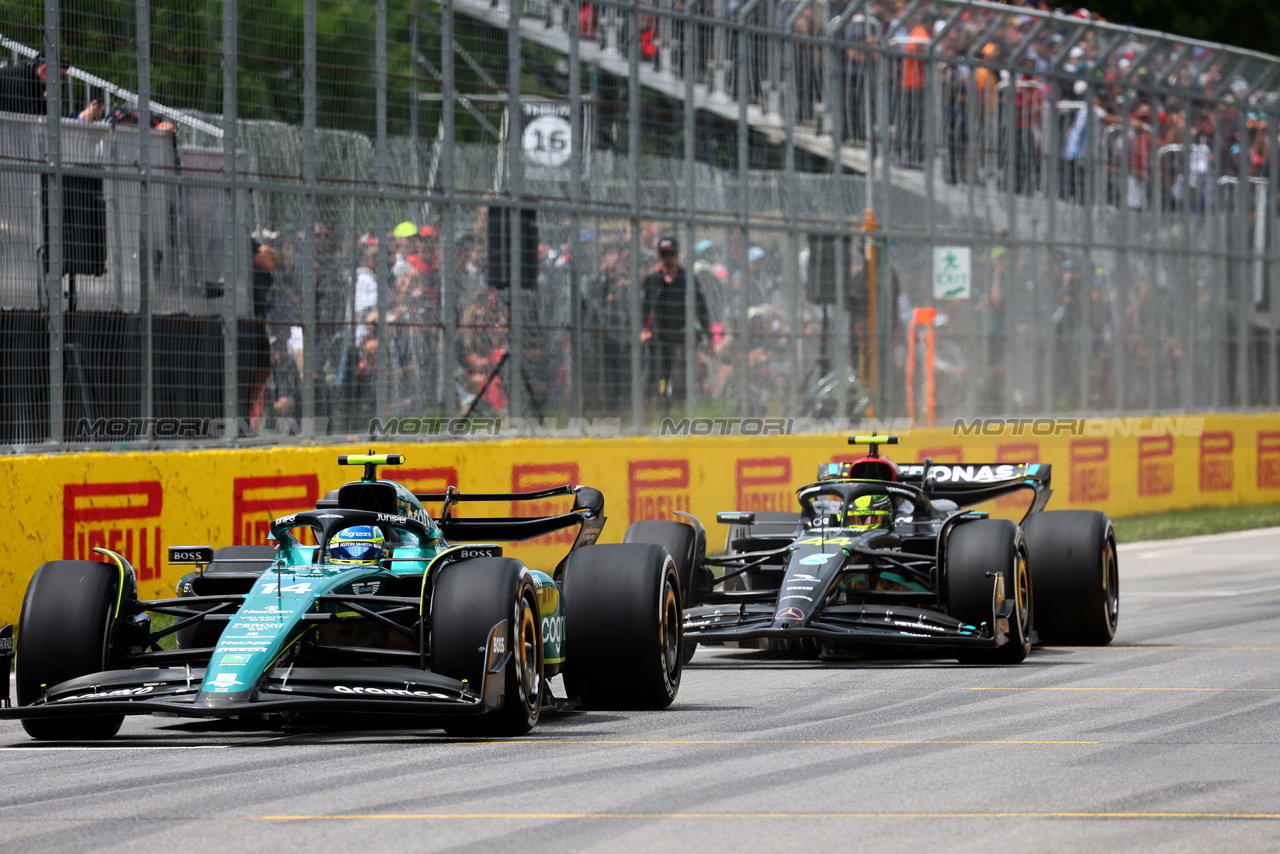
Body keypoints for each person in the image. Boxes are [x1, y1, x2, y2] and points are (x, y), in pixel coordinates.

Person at [641, 236, 709, 404]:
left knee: (680, 376)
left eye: (671, 253)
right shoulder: (652, 280)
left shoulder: (687, 279)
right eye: (664, 254)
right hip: (659, 337)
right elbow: (643, 308)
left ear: (677, 254)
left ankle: (680, 410)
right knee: (658, 375)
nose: (668, 257)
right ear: (659, 255)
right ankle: (660, 405)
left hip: (681, 337)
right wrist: (643, 329)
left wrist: (708, 335)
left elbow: (701, 308)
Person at [0, 51, 100, 119]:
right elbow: (40, 123)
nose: (62, 82)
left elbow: (51, 120)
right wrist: (80, 118)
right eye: (60, 77)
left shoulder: (37, 85)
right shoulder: (17, 82)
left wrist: (81, 117)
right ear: (44, 70)